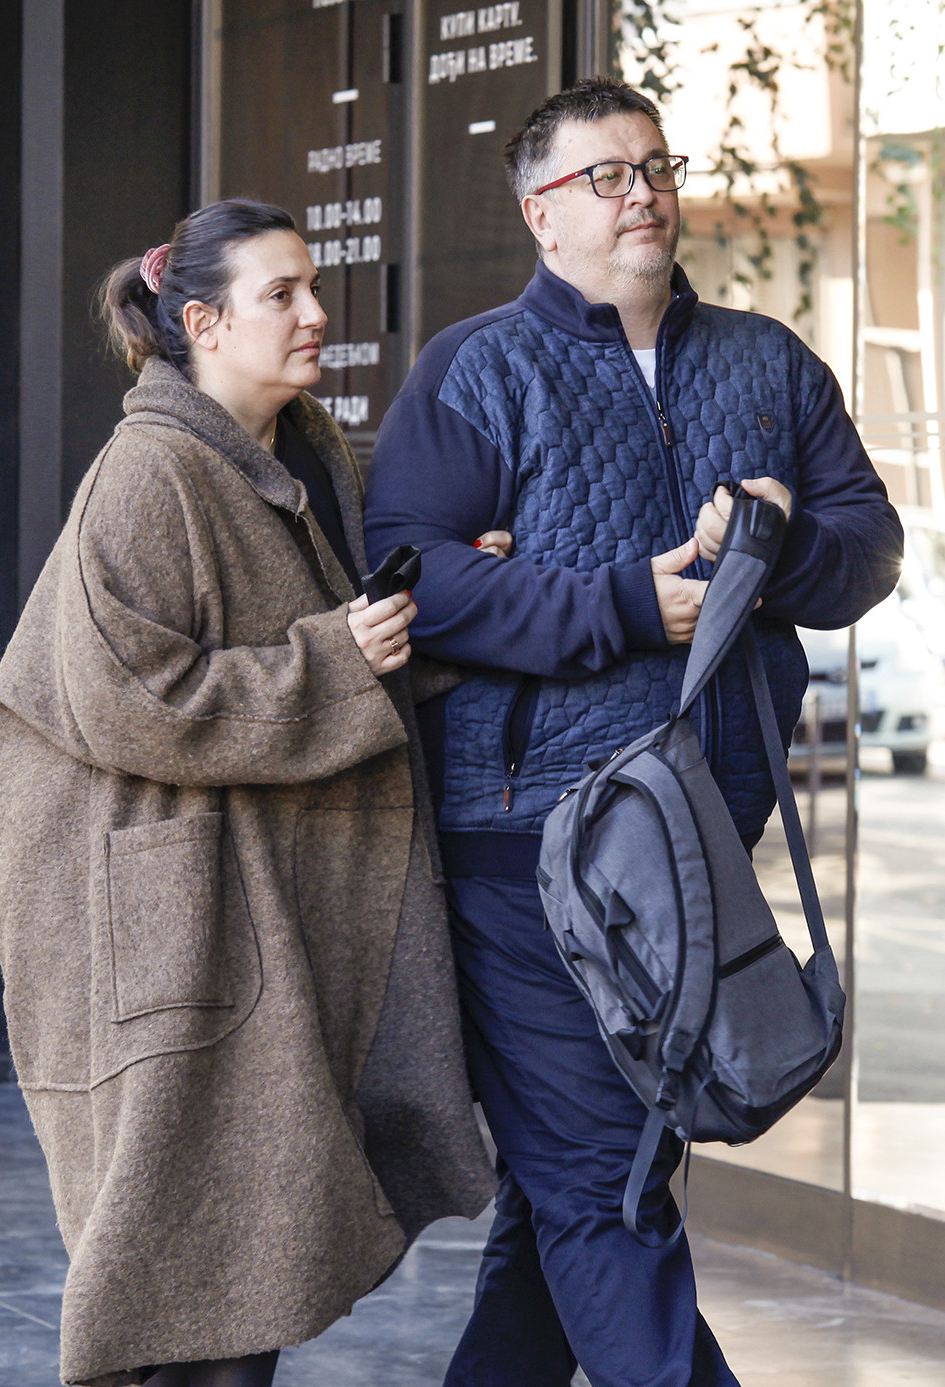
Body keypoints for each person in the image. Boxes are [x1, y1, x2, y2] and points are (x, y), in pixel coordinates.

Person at [364, 78, 903, 1387]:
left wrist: (777, 544)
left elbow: (869, 548)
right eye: (605, 175)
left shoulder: (768, 363)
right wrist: (620, 602)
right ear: (542, 214)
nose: (642, 193)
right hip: (527, 844)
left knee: (586, 1169)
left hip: (701, 839)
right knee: (604, 1180)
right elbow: (411, 576)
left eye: (655, 166)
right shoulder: (477, 370)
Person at [0, 198, 495, 1387]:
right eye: (283, 294)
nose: (316, 312)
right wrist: (335, 659)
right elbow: (126, 694)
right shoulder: (151, 472)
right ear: (204, 324)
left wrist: (445, 611)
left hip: (252, 915)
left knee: (230, 1271)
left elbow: (346, 640)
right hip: (174, 932)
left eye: (312, 286)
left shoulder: (300, 452)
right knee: (190, 1275)